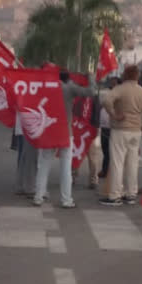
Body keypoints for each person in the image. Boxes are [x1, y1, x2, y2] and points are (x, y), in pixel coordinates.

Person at [33, 70, 95, 209]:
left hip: (49, 131)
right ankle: (66, 200)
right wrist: (90, 77)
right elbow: (90, 92)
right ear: (68, 79)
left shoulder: (46, 88)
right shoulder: (69, 87)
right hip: (65, 132)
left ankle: (38, 196)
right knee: (66, 168)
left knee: (43, 165)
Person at [100, 65, 142, 206]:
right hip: (136, 131)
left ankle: (115, 195)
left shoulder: (120, 89)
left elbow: (106, 101)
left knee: (117, 163)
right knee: (132, 163)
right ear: (137, 76)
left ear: (125, 75)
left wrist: (114, 114)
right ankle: (131, 194)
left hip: (120, 130)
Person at [98, 77, 120, 181]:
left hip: (115, 127)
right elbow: (100, 102)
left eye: (115, 82)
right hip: (104, 126)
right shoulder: (105, 93)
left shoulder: (121, 94)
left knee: (113, 151)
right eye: (112, 82)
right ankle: (105, 170)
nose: (112, 84)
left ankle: (111, 171)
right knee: (105, 150)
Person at [14, 112, 38, 197]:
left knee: (24, 154)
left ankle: (21, 185)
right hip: (31, 122)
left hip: (27, 121)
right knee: (30, 155)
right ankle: (30, 187)